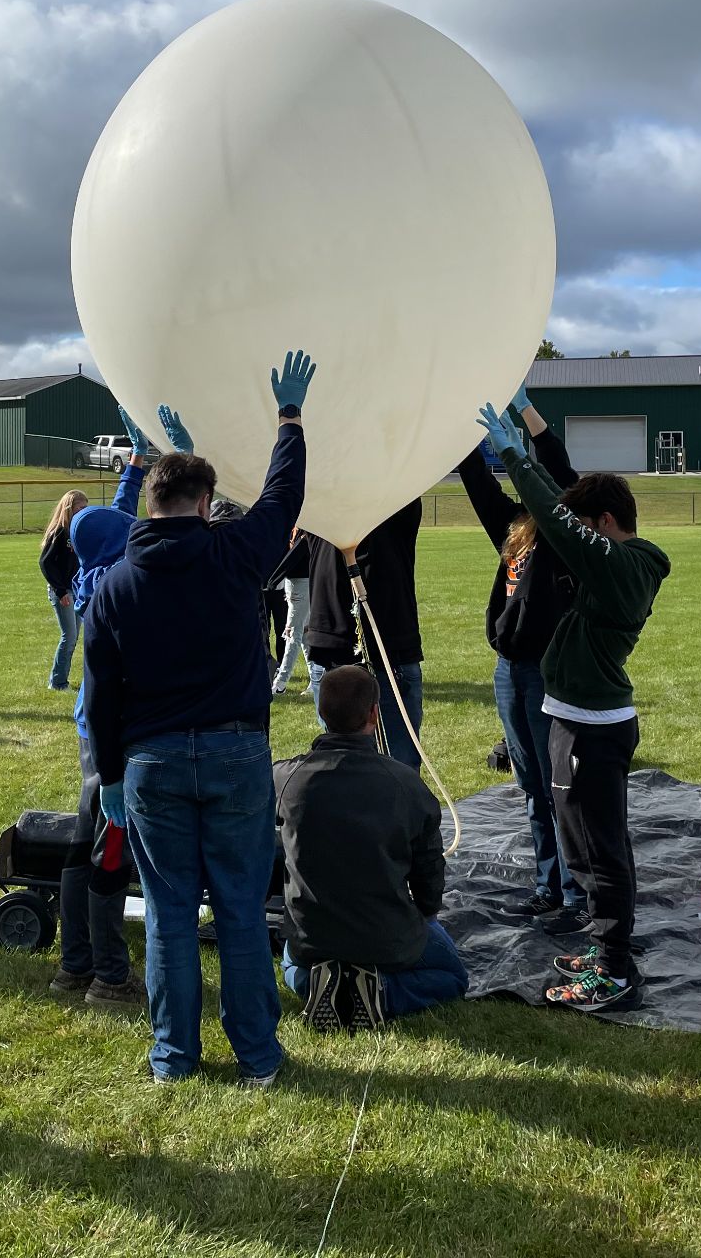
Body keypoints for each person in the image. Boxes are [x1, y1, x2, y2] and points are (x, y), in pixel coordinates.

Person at [82, 351, 315, 1086]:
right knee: (241, 911)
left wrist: (110, 777)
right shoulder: (235, 554)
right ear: (208, 502)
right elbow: (283, 496)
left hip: (149, 765)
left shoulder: (114, 585)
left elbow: (102, 692)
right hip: (236, 754)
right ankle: (257, 1058)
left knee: (169, 912)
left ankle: (174, 1058)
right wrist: (289, 419)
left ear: (150, 504)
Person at [479, 403, 671, 1013]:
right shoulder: (616, 560)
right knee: (585, 846)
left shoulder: (622, 568)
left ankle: (615, 969)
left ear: (606, 522)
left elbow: (559, 523)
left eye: (586, 526)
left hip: (592, 729)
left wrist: (515, 456)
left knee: (598, 853)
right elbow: (565, 521)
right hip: (577, 721)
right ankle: (601, 950)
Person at [456, 385, 586, 929]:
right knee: (530, 783)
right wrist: (455, 425)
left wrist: (526, 414)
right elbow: (474, 478)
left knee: (556, 786)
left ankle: (575, 896)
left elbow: (559, 467)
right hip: (508, 671)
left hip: (544, 672)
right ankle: (546, 885)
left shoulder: (562, 531)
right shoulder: (514, 530)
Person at [275, 665, 465, 1030]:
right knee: (452, 976)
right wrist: (426, 914)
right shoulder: (405, 784)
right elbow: (429, 874)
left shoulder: (286, 778)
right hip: (387, 937)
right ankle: (382, 992)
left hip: (312, 936)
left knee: (290, 967)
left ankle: (325, 986)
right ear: (374, 714)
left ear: (321, 712)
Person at [49, 411, 155, 1007]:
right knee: (108, 849)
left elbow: (114, 519)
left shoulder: (95, 566)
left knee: (87, 838)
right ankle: (108, 976)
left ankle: (74, 965)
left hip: (95, 725)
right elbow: (136, 530)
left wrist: (137, 463)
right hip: (119, 731)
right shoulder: (125, 578)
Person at [304, 500, 425, 767]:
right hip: (332, 651)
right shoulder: (320, 504)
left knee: (398, 767)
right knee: (339, 767)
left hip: (389, 652)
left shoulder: (393, 504)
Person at [38, 490, 89, 691]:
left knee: (74, 636)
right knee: (68, 636)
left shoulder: (77, 531)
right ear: (70, 508)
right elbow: (45, 562)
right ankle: (58, 682)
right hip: (62, 591)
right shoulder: (60, 531)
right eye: (80, 507)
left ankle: (61, 679)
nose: (84, 511)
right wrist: (60, 591)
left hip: (75, 589)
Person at [270, 530, 314, 695]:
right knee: (302, 635)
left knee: (292, 633)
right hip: (295, 583)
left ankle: (280, 682)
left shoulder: (305, 531)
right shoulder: (296, 529)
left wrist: (273, 579)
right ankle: (316, 678)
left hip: (300, 584)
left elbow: (293, 556)